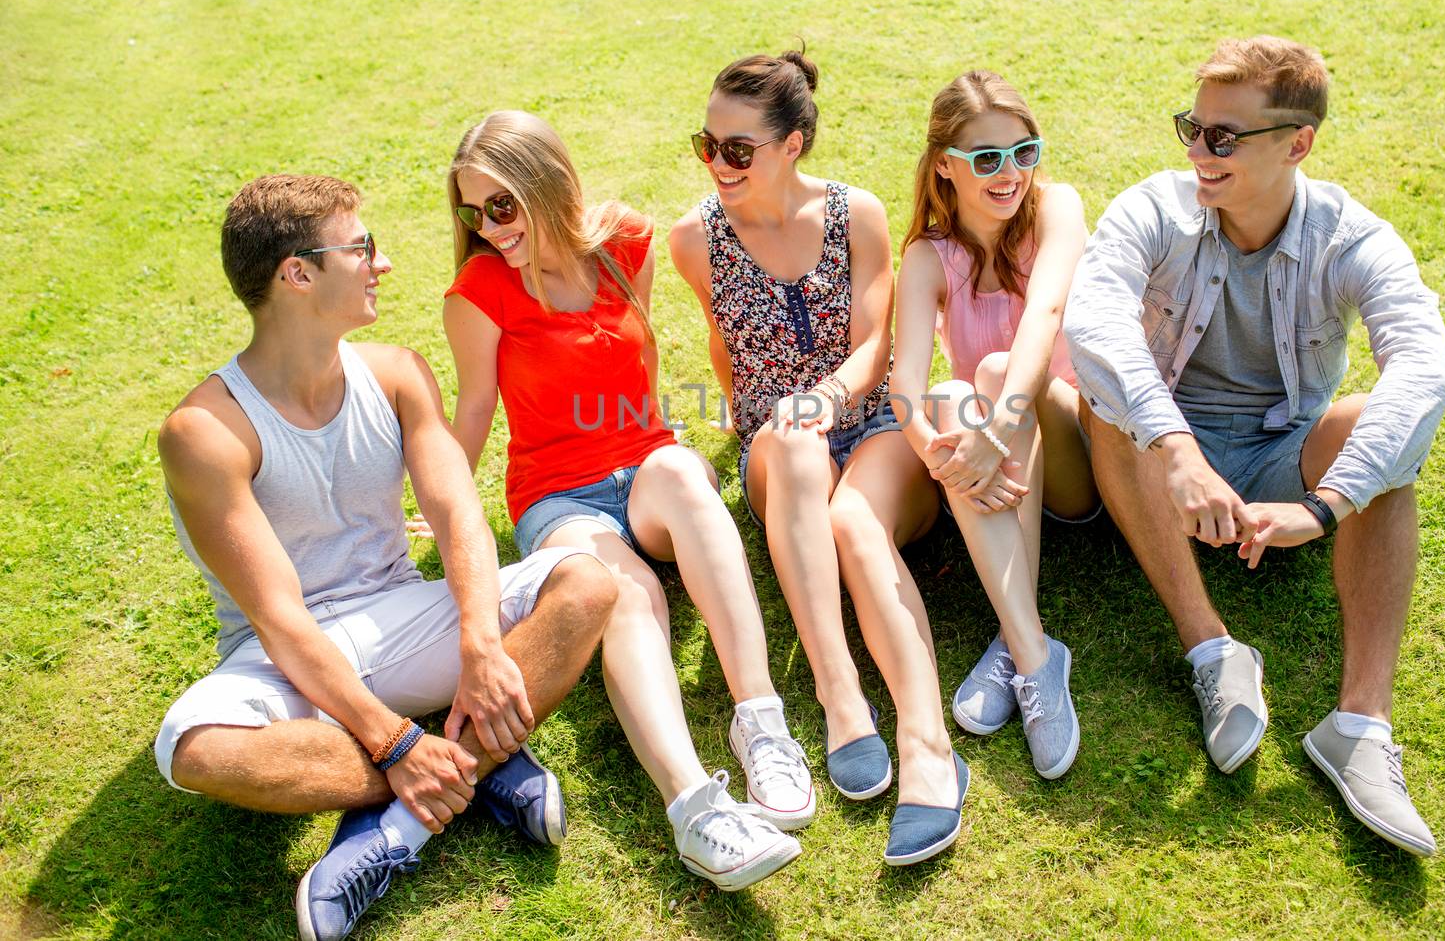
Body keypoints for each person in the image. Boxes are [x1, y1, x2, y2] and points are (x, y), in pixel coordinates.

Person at [154, 174, 619, 941]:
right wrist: (394, 740)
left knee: (586, 582)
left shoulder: (397, 372)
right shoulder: (204, 430)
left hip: (405, 618)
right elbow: (276, 616)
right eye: (362, 246)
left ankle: (398, 824)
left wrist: (476, 635)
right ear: (297, 274)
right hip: (286, 657)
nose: (384, 261)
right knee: (195, 746)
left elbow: (456, 511)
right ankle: (474, 765)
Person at [1063, 37, 1445, 856]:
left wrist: (1326, 506)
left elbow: (1426, 365)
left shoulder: (1353, 236)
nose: (1198, 153)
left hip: (1286, 459)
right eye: (1193, 128)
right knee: (1109, 397)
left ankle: (1359, 723)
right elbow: (1095, 319)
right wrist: (1176, 447)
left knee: (1374, 426)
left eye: (1224, 137)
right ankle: (1212, 646)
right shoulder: (1155, 207)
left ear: (1297, 143)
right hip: (1159, 458)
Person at [439, 111, 806, 891]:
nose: (489, 227)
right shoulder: (478, 291)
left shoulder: (625, 242)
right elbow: (473, 408)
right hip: (554, 493)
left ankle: (762, 723)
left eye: (501, 204)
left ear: (547, 181)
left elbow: (642, 355)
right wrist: (444, 509)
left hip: (643, 465)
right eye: (473, 212)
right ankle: (695, 809)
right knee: (627, 596)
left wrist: (669, 447)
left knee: (680, 476)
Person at [670, 49, 965, 866]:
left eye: (739, 149)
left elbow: (878, 341)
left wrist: (826, 398)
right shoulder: (694, 239)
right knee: (796, 454)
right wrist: (755, 421)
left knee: (850, 516)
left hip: (870, 422)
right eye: (708, 145)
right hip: (781, 446)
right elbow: (721, 343)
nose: (718, 164)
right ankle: (842, 702)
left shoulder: (856, 214)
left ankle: (926, 739)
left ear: (793, 143)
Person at [889, 70, 1098, 781]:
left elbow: (1043, 319)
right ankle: (1033, 653)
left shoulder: (1057, 209)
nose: (1009, 173)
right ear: (945, 164)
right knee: (948, 397)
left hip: (1076, 449)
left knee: (990, 374)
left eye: (1023, 151)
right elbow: (905, 388)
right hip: (997, 471)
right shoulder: (927, 256)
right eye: (986, 158)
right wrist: (940, 452)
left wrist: (996, 420)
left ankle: (1014, 641)